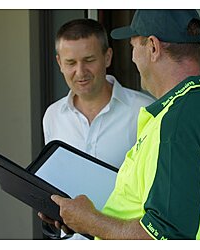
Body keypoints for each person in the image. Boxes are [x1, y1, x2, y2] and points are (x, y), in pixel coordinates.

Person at [40, 10, 200, 240]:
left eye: (133, 46)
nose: (133, 58)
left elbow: (162, 236)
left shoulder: (177, 123)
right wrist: (80, 219)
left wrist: (90, 221)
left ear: (152, 47)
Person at [40, 18, 154, 239]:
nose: (80, 71)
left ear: (107, 57)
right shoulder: (52, 116)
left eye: (89, 60)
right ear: (59, 63)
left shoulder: (144, 111)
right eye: (71, 62)